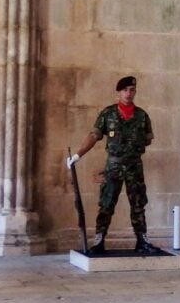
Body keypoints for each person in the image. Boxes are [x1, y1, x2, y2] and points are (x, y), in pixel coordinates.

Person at [67, 76, 157, 254]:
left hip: (134, 166)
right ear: (119, 92)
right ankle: (99, 240)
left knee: (138, 204)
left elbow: (148, 139)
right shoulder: (108, 114)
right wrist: (78, 155)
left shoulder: (142, 115)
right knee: (107, 204)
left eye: (132, 90)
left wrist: (131, 149)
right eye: (125, 90)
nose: (128, 93)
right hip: (114, 166)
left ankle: (142, 240)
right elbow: (94, 136)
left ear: (135, 92)